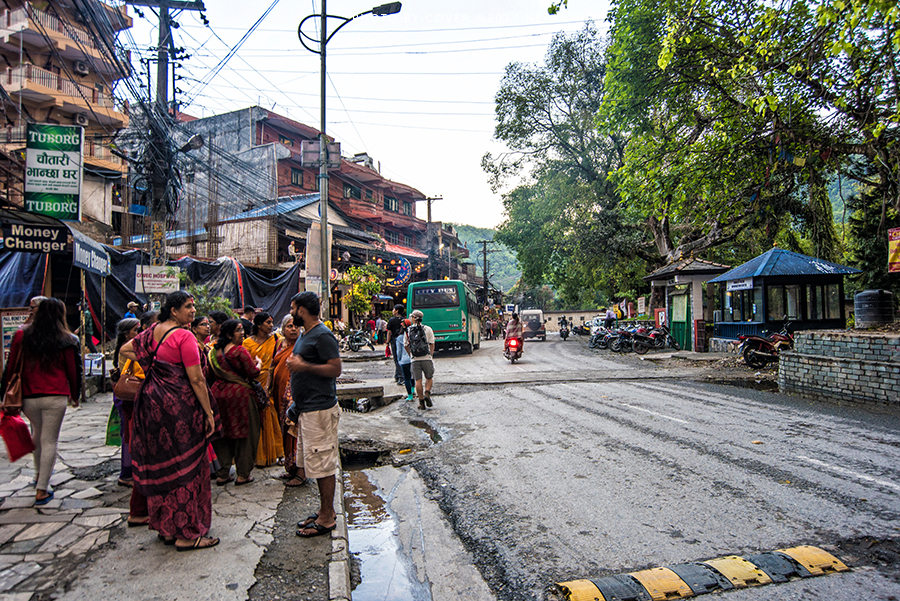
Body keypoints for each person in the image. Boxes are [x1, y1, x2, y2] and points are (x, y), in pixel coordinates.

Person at [119, 291, 220, 550]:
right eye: (188, 307)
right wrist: (208, 413)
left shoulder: (153, 331)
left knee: (161, 466)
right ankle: (187, 534)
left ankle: (166, 528)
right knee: (186, 468)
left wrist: (153, 365)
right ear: (173, 310)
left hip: (151, 404)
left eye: (193, 306)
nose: (193, 311)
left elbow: (126, 348)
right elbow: (196, 379)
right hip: (178, 408)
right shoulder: (184, 336)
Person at [1, 298, 81, 506]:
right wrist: (75, 394)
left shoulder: (22, 335)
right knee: (49, 440)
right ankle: (42, 488)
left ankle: (39, 477)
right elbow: (73, 370)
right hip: (56, 395)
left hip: (28, 395)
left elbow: (11, 365)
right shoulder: (68, 339)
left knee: (37, 434)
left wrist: (5, 391)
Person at [286, 291, 342, 538]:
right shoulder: (306, 334)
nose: (291, 312)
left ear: (302, 310)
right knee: (315, 465)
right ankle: (323, 511)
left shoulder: (323, 335)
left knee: (323, 464)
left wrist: (302, 367)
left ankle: (328, 517)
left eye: (293, 307)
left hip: (320, 410)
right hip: (307, 409)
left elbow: (335, 369)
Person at [207, 319, 261, 487]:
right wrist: (259, 363)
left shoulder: (213, 352)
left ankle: (223, 474)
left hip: (218, 396)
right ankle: (243, 475)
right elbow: (253, 373)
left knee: (222, 434)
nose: (242, 333)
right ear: (229, 334)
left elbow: (209, 375)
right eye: (238, 330)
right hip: (240, 396)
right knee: (245, 434)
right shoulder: (239, 351)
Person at [242, 312, 284, 468]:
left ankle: (278, 452)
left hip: (270, 381)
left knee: (272, 416)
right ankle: (258, 454)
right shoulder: (247, 343)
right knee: (256, 419)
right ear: (259, 325)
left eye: (272, 322)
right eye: (268, 322)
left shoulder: (276, 341)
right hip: (253, 382)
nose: (271, 325)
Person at [271, 314, 303, 486]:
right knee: (283, 430)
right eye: (289, 326)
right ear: (283, 329)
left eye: (296, 326)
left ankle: (299, 470)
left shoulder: (301, 346)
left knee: (294, 432)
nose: (293, 329)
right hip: (278, 393)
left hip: (293, 397)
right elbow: (272, 366)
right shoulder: (278, 344)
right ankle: (289, 468)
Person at [113, 318, 141, 488]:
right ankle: (127, 472)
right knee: (128, 434)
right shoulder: (128, 350)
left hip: (127, 395)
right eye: (136, 330)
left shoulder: (126, 347)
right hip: (129, 395)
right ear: (127, 333)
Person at [404, 310, 435, 410]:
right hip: (426, 357)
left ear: (413, 318)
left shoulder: (408, 331)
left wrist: (411, 355)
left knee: (418, 380)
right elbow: (432, 343)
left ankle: (421, 403)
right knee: (429, 378)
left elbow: (405, 345)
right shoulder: (428, 329)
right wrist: (430, 355)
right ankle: (427, 393)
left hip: (415, 359)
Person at [385, 304, 405, 385]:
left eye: (393, 309)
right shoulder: (404, 320)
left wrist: (387, 342)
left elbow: (389, 332)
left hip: (394, 341)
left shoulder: (392, 320)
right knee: (401, 357)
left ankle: (401, 377)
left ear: (397, 311)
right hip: (403, 341)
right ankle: (397, 376)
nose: (392, 311)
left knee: (396, 359)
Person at [395, 319, 414, 402]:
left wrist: (399, 360)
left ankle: (410, 395)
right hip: (413, 359)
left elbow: (398, 351)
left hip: (404, 360)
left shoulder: (399, 338)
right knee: (413, 376)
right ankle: (413, 391)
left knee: (406, 378)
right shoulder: (413, 335)